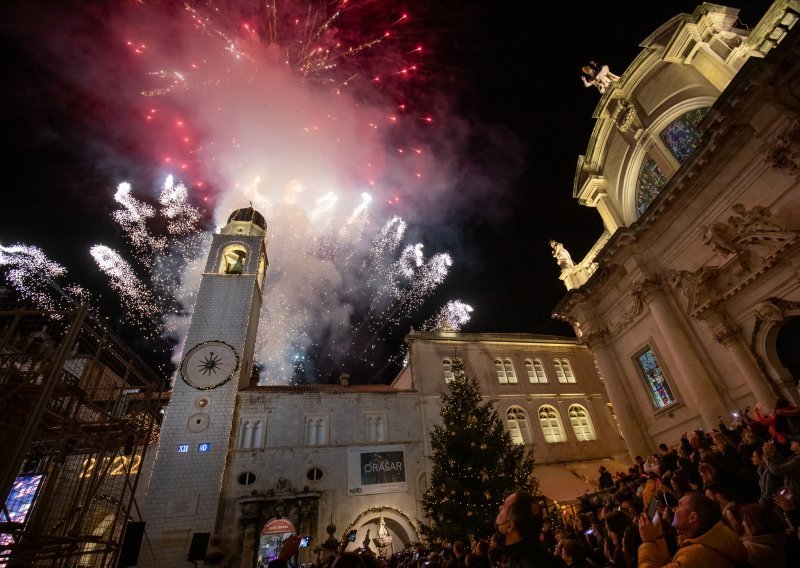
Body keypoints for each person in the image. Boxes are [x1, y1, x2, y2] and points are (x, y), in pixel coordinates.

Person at [637, 492, 748, 567]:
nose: (674, 509)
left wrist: (648, 542)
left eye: (679, 506)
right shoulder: (715, 539)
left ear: (693, 517)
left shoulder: (694, 556)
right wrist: (658, 536)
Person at [495, 491, 559, 568]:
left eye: (504, 508)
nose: (500, 508)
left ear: (509, 526)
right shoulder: (544, 558)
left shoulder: (528, 564)